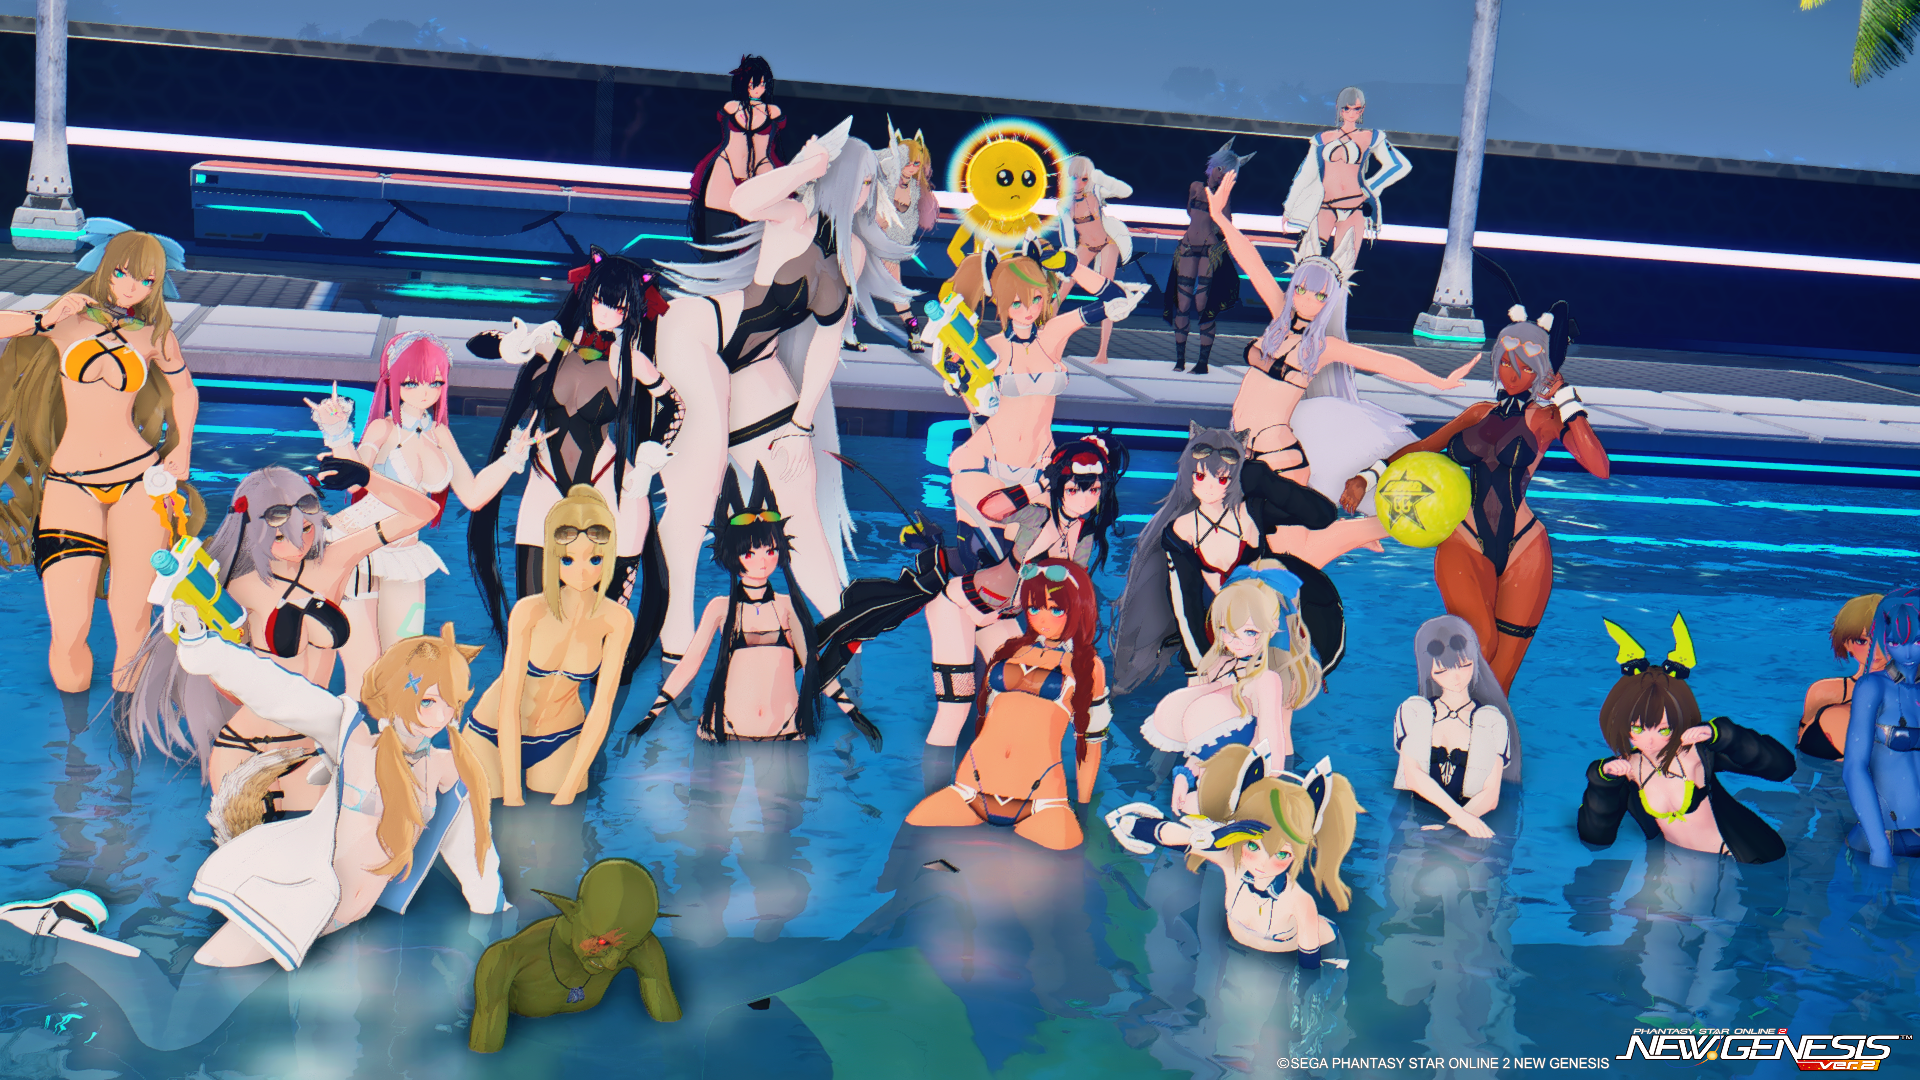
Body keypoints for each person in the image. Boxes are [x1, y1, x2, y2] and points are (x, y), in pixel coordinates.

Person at [17, 614, 508, 974]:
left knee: (202, 1005)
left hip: (334, 920)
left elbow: (471, 850)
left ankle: (66, 935)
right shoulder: (354, 735)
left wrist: (493, 912)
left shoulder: (446, 769)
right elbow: (279, 691)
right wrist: (205, 646)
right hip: (294, 898)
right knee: (190, 988)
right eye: (426, 699)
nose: (438, 714)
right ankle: (60, 931)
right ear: (393, 691)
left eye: (449, 702)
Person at [655, 120, 914, 671]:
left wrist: (801, 424)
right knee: (702, 481)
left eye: (873, 184)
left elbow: (826, 343)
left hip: (757, 363)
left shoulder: (852, 252)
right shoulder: (794, 213)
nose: (867, 194)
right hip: (699, 333)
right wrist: (803, 169)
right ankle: (676, 628)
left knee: (800, 503)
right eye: (861, 181)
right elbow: (743, 201)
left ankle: (839, 628)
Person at [126, 460, 442, 815]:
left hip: (309, 749)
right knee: (241, 847)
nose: (298, 542)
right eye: (280, 536)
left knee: (323, 841)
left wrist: (368, 478)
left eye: (306, 528)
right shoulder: (237, 587)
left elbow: (423, 512)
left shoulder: (335, 561)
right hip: (242, 747)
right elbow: (223, 669)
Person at [1341, 305, 1610, 692]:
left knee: (1498, 683)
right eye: (1506, 362)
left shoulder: (1547, 419)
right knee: (1478, 646)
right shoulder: (1478, 413)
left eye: (1525, 368)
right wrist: (1368, 477)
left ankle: (1470, 726)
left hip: (1525, 548)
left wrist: (1567, 397)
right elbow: (1424, 448)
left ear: (1541, 372)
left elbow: (1599, 466)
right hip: (1465, 538)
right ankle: (1437, 709)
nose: (1511, 374)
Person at [466, 251, 682, 684]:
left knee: (605, 625)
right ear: (586, 294)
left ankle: (599, 683)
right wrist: (510, 345)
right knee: (531, 610)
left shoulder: (630, 360)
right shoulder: (552, 342)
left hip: (609, 483)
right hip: (545, 480)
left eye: (618, 306)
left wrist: (650, 457)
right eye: (601, 300)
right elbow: (479, 343)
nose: (606, 312)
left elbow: (674, 406)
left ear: (632, 312)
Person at [0, 229, 200, 691]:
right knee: (69, 628)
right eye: (123, 274)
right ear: (106, 269)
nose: (131, 288)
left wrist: (182, 447)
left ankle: (127, 725)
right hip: (70, 485)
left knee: (132, 620)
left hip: (138, 481)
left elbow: (184, 389)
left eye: (146, 281)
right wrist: (43, 318)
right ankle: (71, 732)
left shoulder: (155, 336)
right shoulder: (67, 323)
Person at [1207, 168, 1475, 501]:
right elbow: (1253, 263)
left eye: (1320, 296)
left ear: (1330, 302)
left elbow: (1385, 363)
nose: (1308, 300)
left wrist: (1438, 381)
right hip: (1241, 444)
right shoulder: (1279, 319)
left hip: (1276, 455)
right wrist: (1220, 218)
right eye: (1302, 290)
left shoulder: (1324, 347)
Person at [310, 332, 549, 696]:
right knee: (364, 671)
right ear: (393, 380)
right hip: (359, 549)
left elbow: (473, 496)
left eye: (435, 382)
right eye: (413, 382)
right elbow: (356, 478)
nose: (425, 392)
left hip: (406, 555)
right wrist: (338, 433)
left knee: (404, 663)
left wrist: (512, 457)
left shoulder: (440, 434)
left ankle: (396, 731)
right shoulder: (382, 428)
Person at [1113, 425, 1383, 693]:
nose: (1210, 487)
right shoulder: (1181, 531)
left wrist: (1264, 479)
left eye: (1222, 479)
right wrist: (1199, 667)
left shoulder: (1251, 512)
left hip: (1267, 628)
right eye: (1200, 476)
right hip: (1216, 632)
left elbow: (1322, 515)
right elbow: (1186, 603)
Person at [633, 464, 876, 745]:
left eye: (770, 550)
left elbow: (814, 666)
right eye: (750, 553)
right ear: (732, 556)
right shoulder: (720, 608)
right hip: (725, 730)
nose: (763, 560)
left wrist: (853, 713)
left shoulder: (787, 607)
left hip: (786, 732)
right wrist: (652, 714)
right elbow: (690, 664)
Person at [907, 558, 1110, 849]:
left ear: (1079, 608)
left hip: (1041, 802)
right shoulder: (1010, 649)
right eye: (1034, 608)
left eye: (1056, 609)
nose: (1042, 619)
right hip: (970, 789)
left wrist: (1084, 809)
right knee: (912, 836)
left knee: (1062, 856)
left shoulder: (1088, 667)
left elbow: (1091, 744)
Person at [1107, 746, 1363, 966]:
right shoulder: (1231, 860)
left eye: (1282, 853)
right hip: (1243, 954)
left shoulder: (1299, 901)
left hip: (1319, 953)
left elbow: (1310, 970)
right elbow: (1144, 830)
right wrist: (1213, 838)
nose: (1263, 863)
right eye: (1253, 846)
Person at [463, 486, 634, 806]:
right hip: (492, 732)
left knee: (559, 825)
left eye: (594, 559)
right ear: (553, 557)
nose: (582, 571)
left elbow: (602, 708)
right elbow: (509, 700)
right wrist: (512, 793)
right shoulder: (530, 611)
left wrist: (569, 787)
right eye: (568, 559)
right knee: (491, 816)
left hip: (561, 737)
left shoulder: (617, 620)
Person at [1579, 614, 1795, 864]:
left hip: (1740, 863)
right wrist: (1603, 782)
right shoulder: (1627, 770)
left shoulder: (1698, 753)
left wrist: (1725, 736)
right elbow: (1596, 839)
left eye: (1663, 730)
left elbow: (1782, 767)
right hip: (1673, 867)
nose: (1649, 741)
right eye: (1637, 729)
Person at [1142, 567, 1319, 815]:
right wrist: (1184, 775)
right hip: (1208, 782)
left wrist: (1259, 799)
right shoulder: (1216, 667)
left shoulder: (1266, 680)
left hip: (1247, 786)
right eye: (1226, 629)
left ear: (1272, 627)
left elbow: (1272, 749)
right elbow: (1203, 741)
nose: (1234, 641)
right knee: (1187, 813)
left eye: (1249, 632)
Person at [1393, 616, 1517, 839]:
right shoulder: (1415, 712)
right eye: (1443, 670)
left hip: (1469, 832)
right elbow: (1412, 775)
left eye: (1464, 665)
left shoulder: (1491, 720)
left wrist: (1450, 829)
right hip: (1416, 824)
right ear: (1429, 669)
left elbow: (1491, 795)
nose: (1455, 676)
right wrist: (1460, 819)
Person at [1282, 86, 1412, 261]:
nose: (1351, 113)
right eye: (1347, 108)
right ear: (1339, 108)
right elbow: (1305, 175)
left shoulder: (1371, 137)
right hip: (1324, 207)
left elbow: (1400, 165)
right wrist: (1288, 209)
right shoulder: (1322, 139)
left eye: (1356, 109)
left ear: (1362, 110)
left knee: (1343, 268)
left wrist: (1370, 188)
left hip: (1355, 208)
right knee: (1307, 263)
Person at [1842, 589, 1920, 866]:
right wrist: (1879, 848)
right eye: (1896, 642)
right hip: (1881, 840)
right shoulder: (1872, 687)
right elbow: (1853, 768)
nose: (1907, 652)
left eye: (1918, 641)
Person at [1162, 140, 1253, 374]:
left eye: (1227, 172)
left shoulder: (1224, 195)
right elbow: (1190, 212)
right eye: (1220, 169)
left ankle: (1202, 363)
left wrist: (1217, 220)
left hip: (1208, 250)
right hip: (1187, 247)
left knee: (1203, 305)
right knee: (1182, 304)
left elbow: (1226, 222)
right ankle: (1180, 360)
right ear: (1213, 166)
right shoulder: (1195, 186)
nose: (1220, 174)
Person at [689, 54, 783, 256]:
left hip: (760, 174)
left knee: (757, 251)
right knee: (714, 246)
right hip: (726, 170)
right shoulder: (732, 107)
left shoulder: (773, 111)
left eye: (762, 84)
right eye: (753, 84)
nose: (758, 89)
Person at [1055, 154, 1134, 365]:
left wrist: (1101, 178)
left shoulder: (1097, 191)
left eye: (1084, 178)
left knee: (1109, 296)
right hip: (1084, 246)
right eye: (1074, 178)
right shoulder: (1064, 205)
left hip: (1107, 245)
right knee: (1061, 292)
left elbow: (1126, 191)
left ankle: (1102, 354)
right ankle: (1045, 342)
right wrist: (1068, 258)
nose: (1079, 183)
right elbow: (1067, 235)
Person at [1798, 592, 1884, 761]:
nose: (1874, 649)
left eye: (1883, 639)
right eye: (1862, 641)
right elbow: (1801, 747)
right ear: (1846, 644)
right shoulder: (1825, 691)